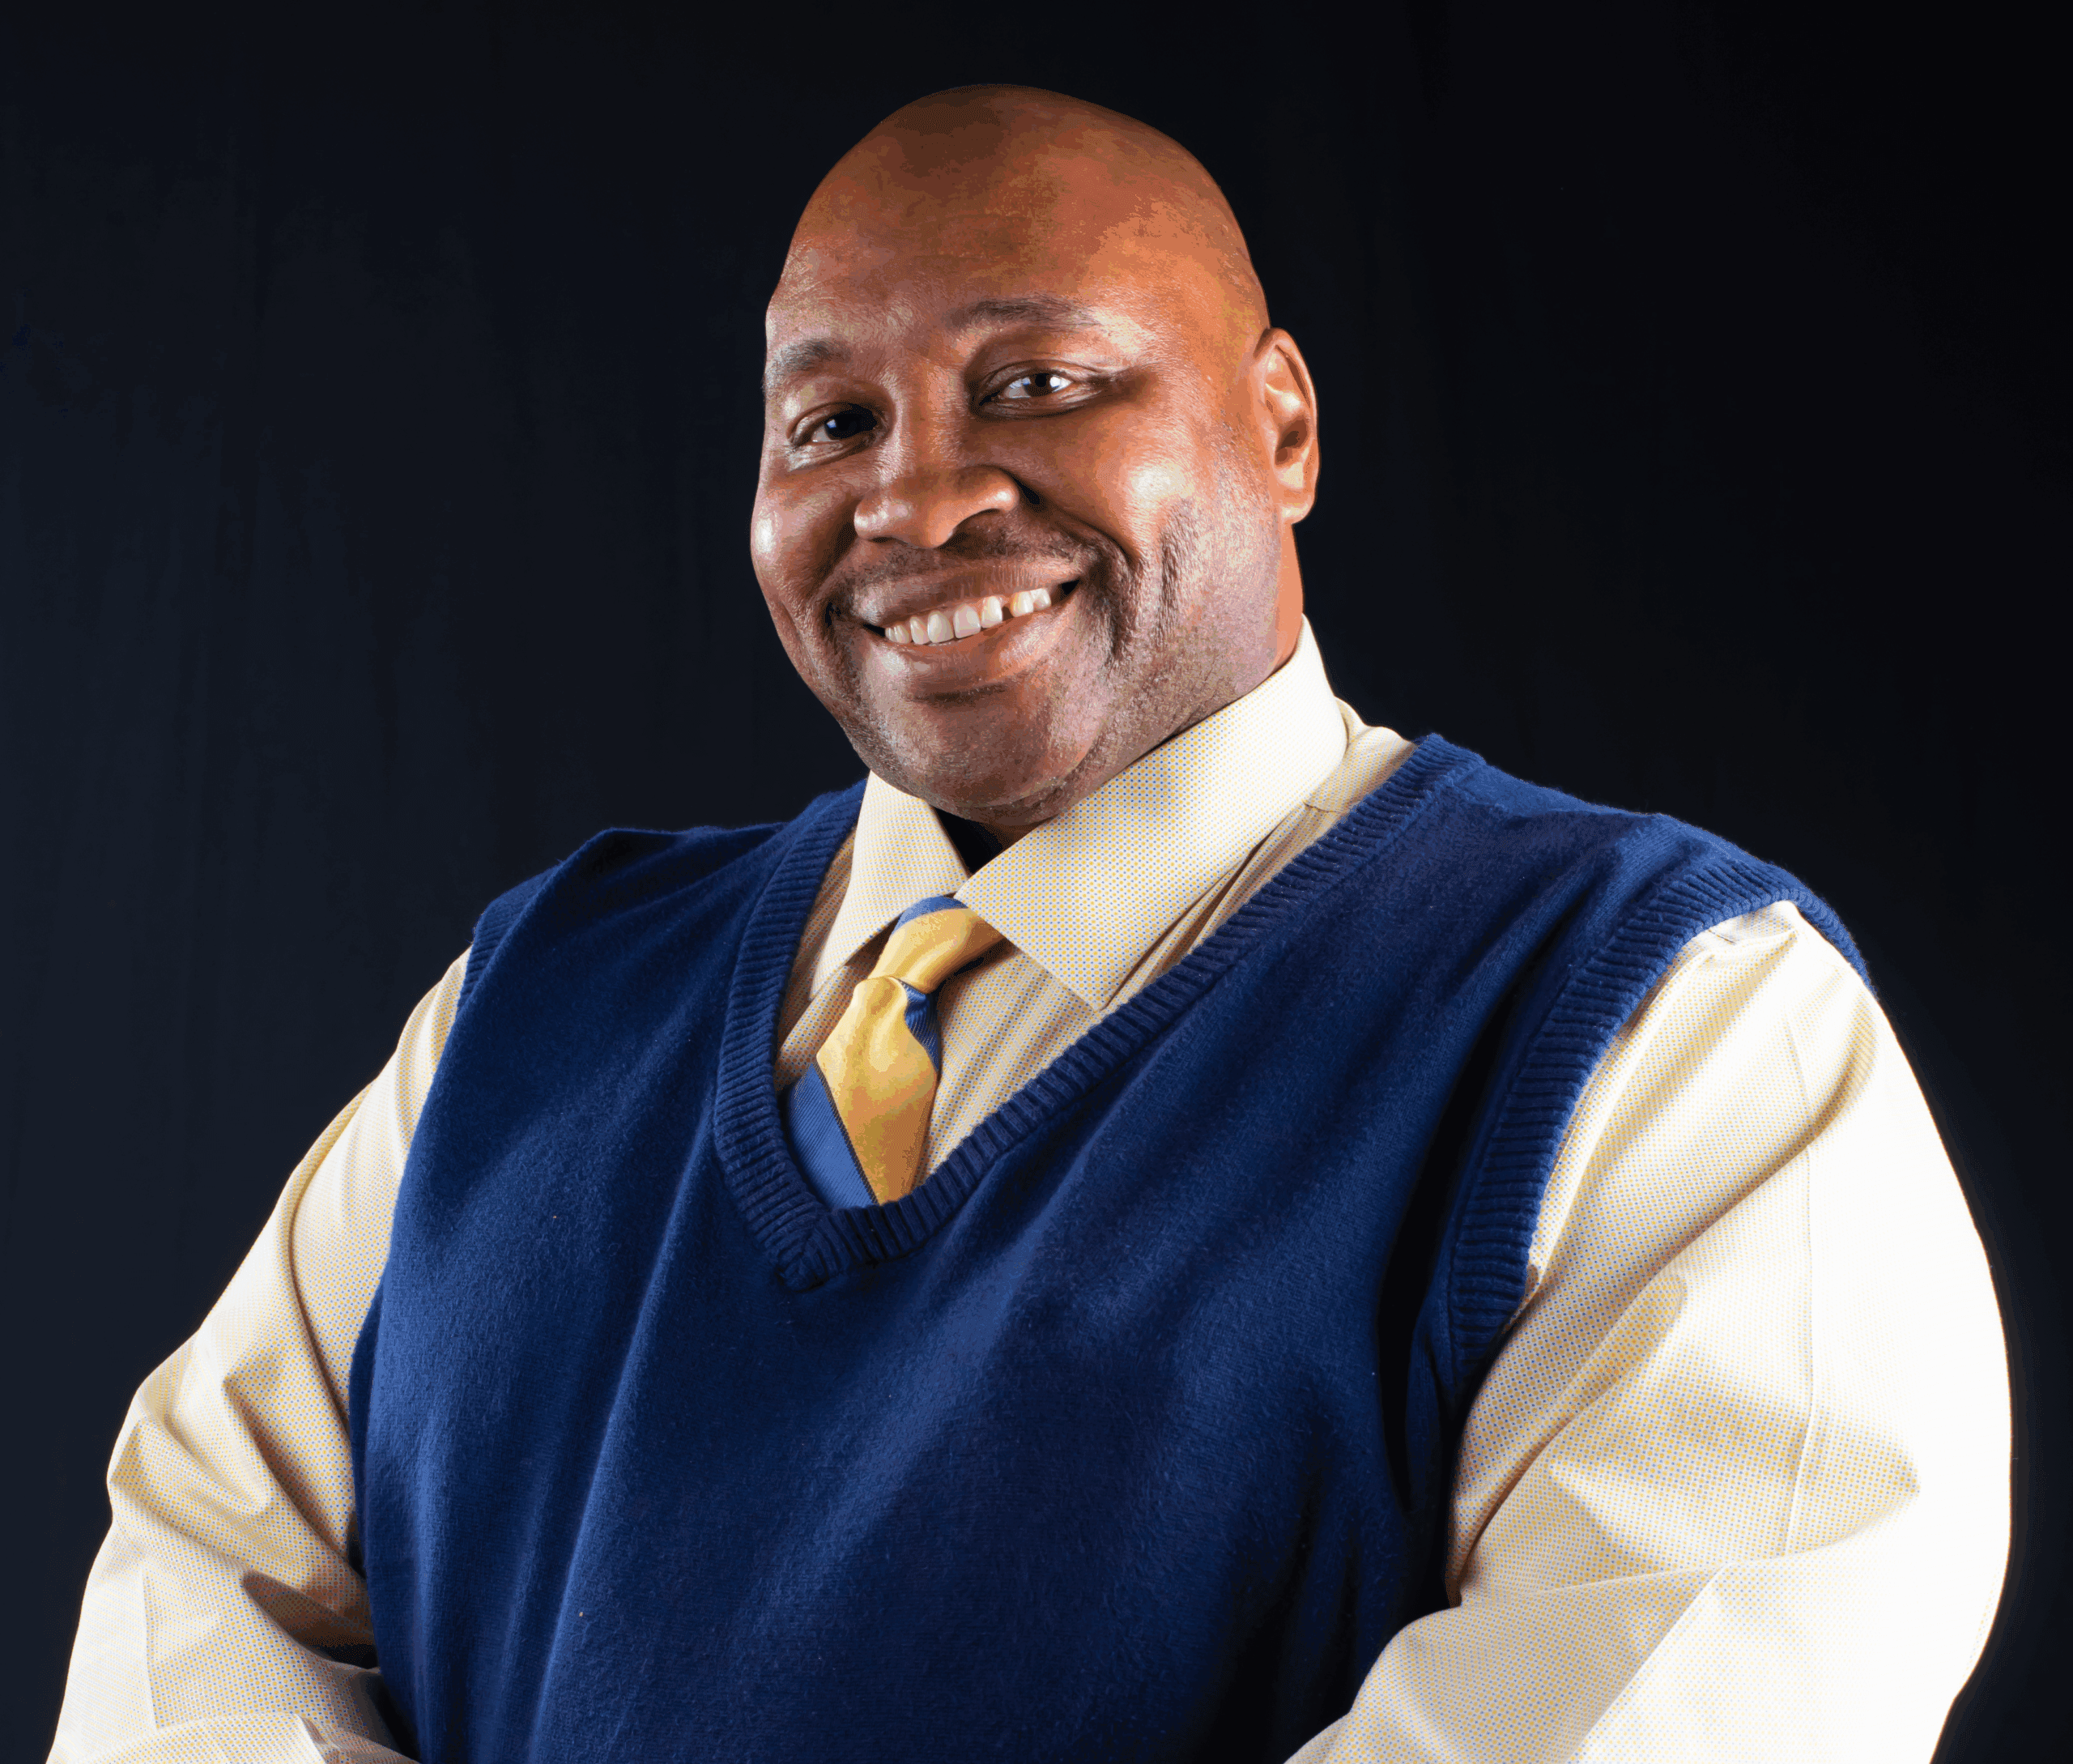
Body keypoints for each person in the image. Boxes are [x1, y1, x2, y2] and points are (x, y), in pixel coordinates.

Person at [50, 87, 2008, 1763]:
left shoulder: (1663, 1022)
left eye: (1037, 383)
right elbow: (194, 1596)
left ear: (1283, 427)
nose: (915, 498)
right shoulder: (531, 1000)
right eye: (826, 422)